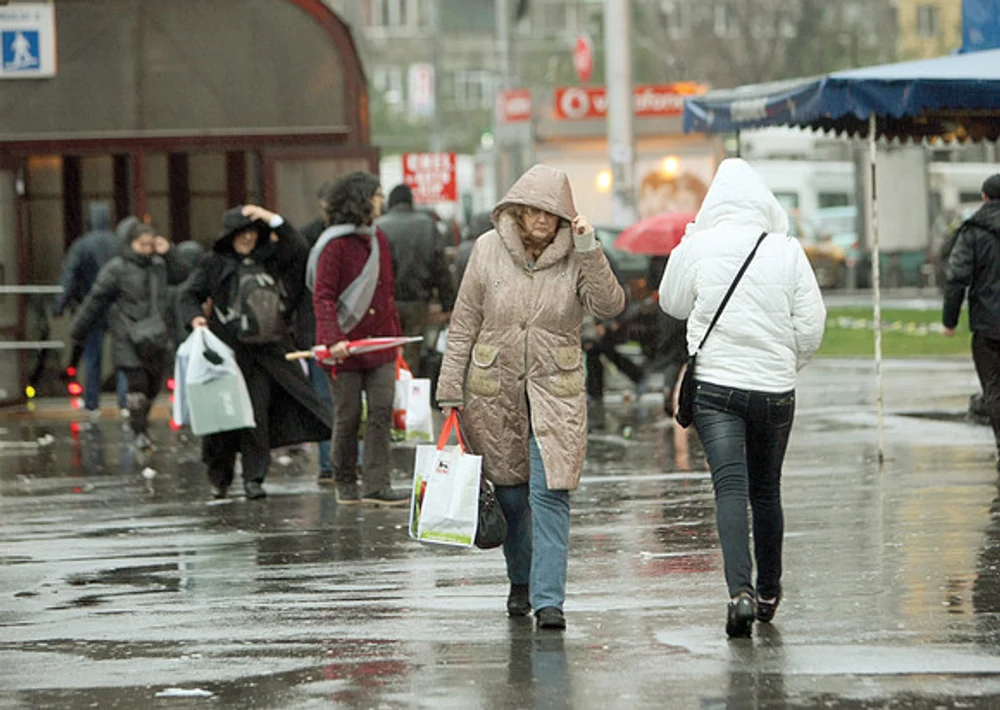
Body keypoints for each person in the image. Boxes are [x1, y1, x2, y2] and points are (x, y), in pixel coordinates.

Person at [436, 164, 625, 630]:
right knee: (512, 498)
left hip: (554, 393)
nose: (543, 219)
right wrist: (449, 390)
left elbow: (610, 306)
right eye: (535, 210)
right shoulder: (485, 250)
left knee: (552, 494)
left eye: (553, 212)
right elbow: (463, 324)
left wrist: (589, 249)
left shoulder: (578, 256)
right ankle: (520, 579)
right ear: (518, 210)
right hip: (493, 392)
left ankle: (548, 601)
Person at [658, 158, 826, 638]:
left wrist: (689, 242)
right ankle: (770, 591)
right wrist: (784, 363)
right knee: (766, 490)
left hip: (716, 390)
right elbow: (812, 325)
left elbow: (670, 301)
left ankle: (741, 593)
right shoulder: (787, 250)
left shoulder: (700, 246)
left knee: (730, 489)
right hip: (775, 391)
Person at [179, 204, 332, 500]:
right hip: (225, 355)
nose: (248, 238)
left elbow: (298, 248)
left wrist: (272, 218)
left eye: (252, 232)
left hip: (265, 354)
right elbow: (188, 294)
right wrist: (194, 318)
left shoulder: (272, 260)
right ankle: (219, 478)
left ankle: (254, 478)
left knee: (256, 416)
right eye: (241, 233)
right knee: (221, 418)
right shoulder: (214, 264)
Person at [308, 172, 408, 506]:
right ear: (360, 200)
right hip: (343, 348)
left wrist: (395, 338)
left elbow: (387, 293)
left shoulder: (378, 238)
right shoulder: (334, 245)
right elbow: (322, 296)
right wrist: (334, 338)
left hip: (380, 345)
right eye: (375, 195)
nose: (380, 201)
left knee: (381, 411)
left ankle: (377, 483)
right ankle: (346, 480)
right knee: (348, 415)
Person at [69, 222, 188, 450]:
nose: (145, 249)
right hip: (127, 337)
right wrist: (78, 330)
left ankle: (141, 421)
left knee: (153, 386)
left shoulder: (160, 266)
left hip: (157, 336)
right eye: (141, 244)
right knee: (137, 384)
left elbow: (182, 275)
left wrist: (169, 252)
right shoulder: (117, 268)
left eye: (149, 244)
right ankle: (139, 430)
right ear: (131, 243)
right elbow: (96, 299)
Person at [943, 174, 1000, 470]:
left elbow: (956, 278)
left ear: (984, 197)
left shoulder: (973, 231)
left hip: (988, 325)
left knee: (993, 388)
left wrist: (949, 320)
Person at [54, 203, 130, 420]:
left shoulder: (81, 246)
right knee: (122, 356)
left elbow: (69, 276)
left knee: (92, 357)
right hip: (118, 306)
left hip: (91, 305)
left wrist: (59, 304)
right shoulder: (118, 243)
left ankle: (92, 402)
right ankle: (124, 401)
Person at [375, 184, 456, 372]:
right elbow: (441, 268)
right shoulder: (427, 225)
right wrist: (448, 303)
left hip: (387, 303)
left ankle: (391, 391)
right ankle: (411, 392)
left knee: (389, 352)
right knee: (413, 353)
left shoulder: (380, 226)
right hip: (417, 302)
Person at [295, 180, 336, 483]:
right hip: (318, 331)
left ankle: (341, 463)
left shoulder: (365, 237)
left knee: (345, 403)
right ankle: (329, 463)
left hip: (335, 330)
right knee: (326, 399)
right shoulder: (309, 238)